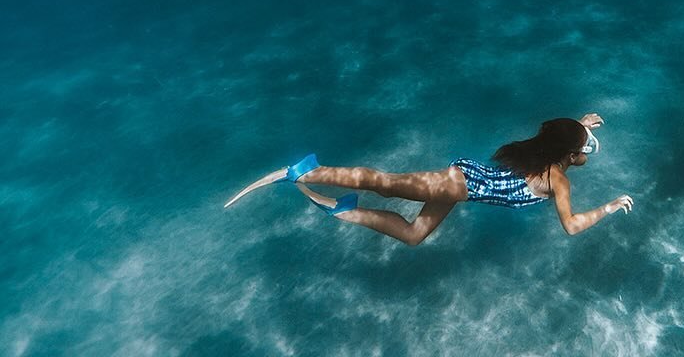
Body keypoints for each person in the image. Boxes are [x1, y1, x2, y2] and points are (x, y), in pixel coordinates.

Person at [224, 114, 633, 245]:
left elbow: (556, 137)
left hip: (463, 189)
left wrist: (577, 123)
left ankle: (340, 208)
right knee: (383, 182)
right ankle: (304, 170)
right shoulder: (559, 181)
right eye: (585, 149)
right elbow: (573, 226)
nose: (586, 155)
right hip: (456, 184)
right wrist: (611, 207)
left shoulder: (548, 154)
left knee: (414, 235)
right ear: (569, 155)